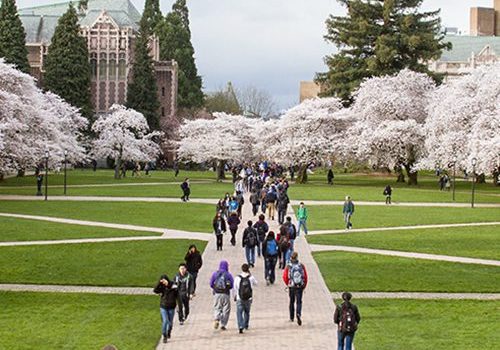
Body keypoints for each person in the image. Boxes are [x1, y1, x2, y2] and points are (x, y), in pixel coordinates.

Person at [283, 252, 308, 326]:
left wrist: (288, 283)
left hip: (292, 286)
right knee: (299, 301)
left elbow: (285, 277)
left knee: (291, 301)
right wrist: (304, 285)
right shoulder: (301, 265)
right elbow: (305, 276)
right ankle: (298, 313)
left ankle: (291, 316)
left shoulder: (289, 266)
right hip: (299, 286)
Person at [153, 274, 179, 343]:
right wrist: (159, 283)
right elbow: (155, 290)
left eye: (165, 281)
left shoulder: (173, 286)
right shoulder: (161, 286)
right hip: (163, 306)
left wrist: (178, 306)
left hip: (171, 307)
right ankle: (164, 335)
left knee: (170, 323)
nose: (164, 282)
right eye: (162, 281)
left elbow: (177, 296)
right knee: (165, 321)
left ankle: (169, 331)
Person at [234, 263, 258, 333]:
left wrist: (235, 295)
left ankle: (240, 326)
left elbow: (235, 288)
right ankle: (246, 324)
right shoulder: (251, 277)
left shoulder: (237, 278)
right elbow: (256, 283)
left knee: (239, 312)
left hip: (239, 297)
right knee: (247, 312)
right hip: (248, 298)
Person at [210, 260, 234, 330]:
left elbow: (211, 284)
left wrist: (214, 288)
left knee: (217, 307)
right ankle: (223, 324)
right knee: (226, 309)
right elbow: (232, 285)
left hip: (217, 293)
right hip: (226, 294)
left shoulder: (215, 274)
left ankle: (217, 318)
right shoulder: (228, 274)